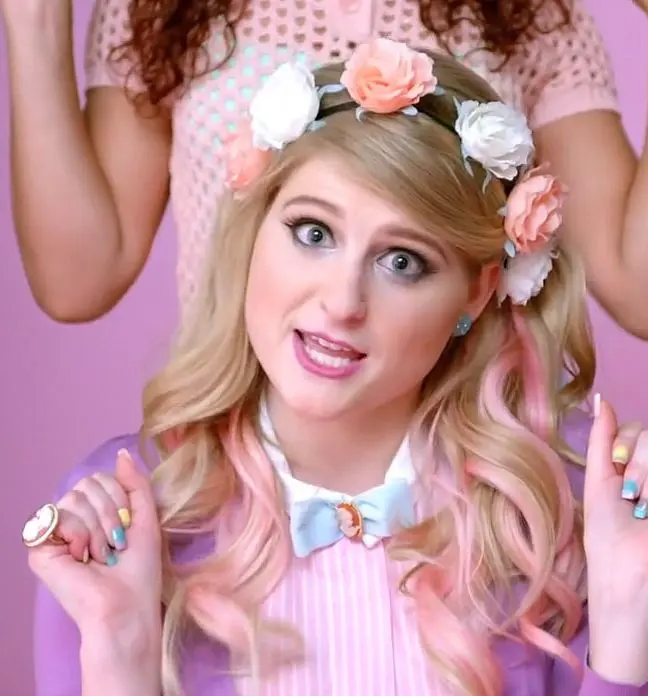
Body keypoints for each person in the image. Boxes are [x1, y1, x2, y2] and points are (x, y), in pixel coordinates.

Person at [23, 42, 648, 696]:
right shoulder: (124, 508)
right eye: (314, 233)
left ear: (476, 292)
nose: (343, 302)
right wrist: (120, 654)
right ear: (256, 228)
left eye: (402, 261)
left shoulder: (555, 509)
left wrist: (628, 610)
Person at [3, 0, 648, 338]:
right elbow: (77, 281)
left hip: (458, 486)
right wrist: (32, 17)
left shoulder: (527, 10)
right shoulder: (163, 7)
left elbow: (637, 289)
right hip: (229, 478)